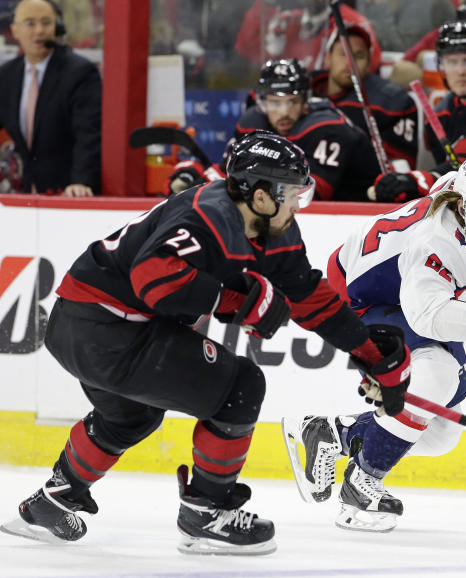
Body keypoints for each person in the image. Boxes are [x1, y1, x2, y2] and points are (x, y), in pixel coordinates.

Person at [0, 132, 411, 554]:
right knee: (240, 387)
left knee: (130, 417)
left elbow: (307, 294)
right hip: (107, 328)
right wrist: (237, 301)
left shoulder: (272, 224)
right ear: (258, 193)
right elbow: (154, 278)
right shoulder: (209, 215)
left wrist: (370, 353)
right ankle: (206, 514)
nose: (297, 204)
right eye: (290, 193)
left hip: (81, 323)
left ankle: (52, 503)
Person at [282, 155, 466, 532]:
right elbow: (425, 315)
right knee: (436, 375)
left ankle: (333, 433)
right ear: (464, 207)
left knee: (441, 432)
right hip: (359, 296)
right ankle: (362, 482)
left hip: (411, 294)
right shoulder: (433, 241)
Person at [167, 58, 381, 201]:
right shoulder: (254, 121)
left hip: (359, 212)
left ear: (306, 101)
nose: (284, 112)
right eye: (275, 103)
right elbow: (230, 170)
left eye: (292, 102)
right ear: (261, 102)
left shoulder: (328, 128)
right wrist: (194, 177)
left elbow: (310, 196)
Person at [369, 19, 466, 202]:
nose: (461, 71)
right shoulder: (439, 113)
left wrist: (419, 180)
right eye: (452, 62)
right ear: (441, 66)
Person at [0, 0, 100, 195]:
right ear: (14, 30)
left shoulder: (80, 72)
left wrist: (81, 181)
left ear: (58, 27)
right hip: (24, 191)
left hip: (68, 192)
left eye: (46, 22)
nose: (39, 31)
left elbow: (88, 134)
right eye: (30, 23)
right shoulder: (6, 75)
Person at [312, 25, 419, 169]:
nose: (350, 63)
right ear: (327, 58)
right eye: (343, 54)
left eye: (359, 56)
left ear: (369, 65)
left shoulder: (391, 102)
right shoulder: (301, 90)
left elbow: (398, 168)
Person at [234, 0, 383, 72]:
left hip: (328, 111)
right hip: (283, 105)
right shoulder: (287, 21)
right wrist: (268, 3)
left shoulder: (351, 24)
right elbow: (246, 48)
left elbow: (368, 67)